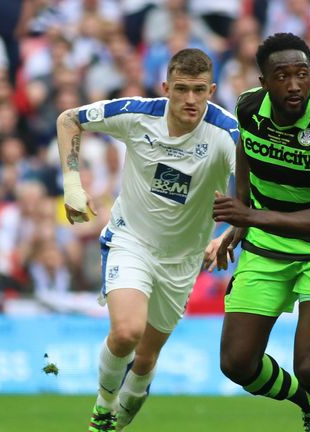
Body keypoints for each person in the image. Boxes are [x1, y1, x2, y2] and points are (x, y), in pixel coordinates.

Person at [56, 48, 238, 432]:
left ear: (212, 90)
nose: (191, 99)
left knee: (146, 357)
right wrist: (72, 184)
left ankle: (118, 417)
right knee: (126, 332)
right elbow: (69, 119)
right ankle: (103, 407)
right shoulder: (138, 114)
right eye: (182, 89)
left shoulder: (227, 135)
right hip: (130, 240)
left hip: (183, 260)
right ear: (166, 87)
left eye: (200, 90)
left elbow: (258, 194)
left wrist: (228, 235)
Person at [212, 33, 310, 432]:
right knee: (236, 364)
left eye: (303, 74)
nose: (295, 84)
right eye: (282, 76)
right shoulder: (248, 107)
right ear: (263, 82)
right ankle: (307, 403)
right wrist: (243, 211)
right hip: (268, 247)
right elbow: (246, 147)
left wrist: (251, 218)